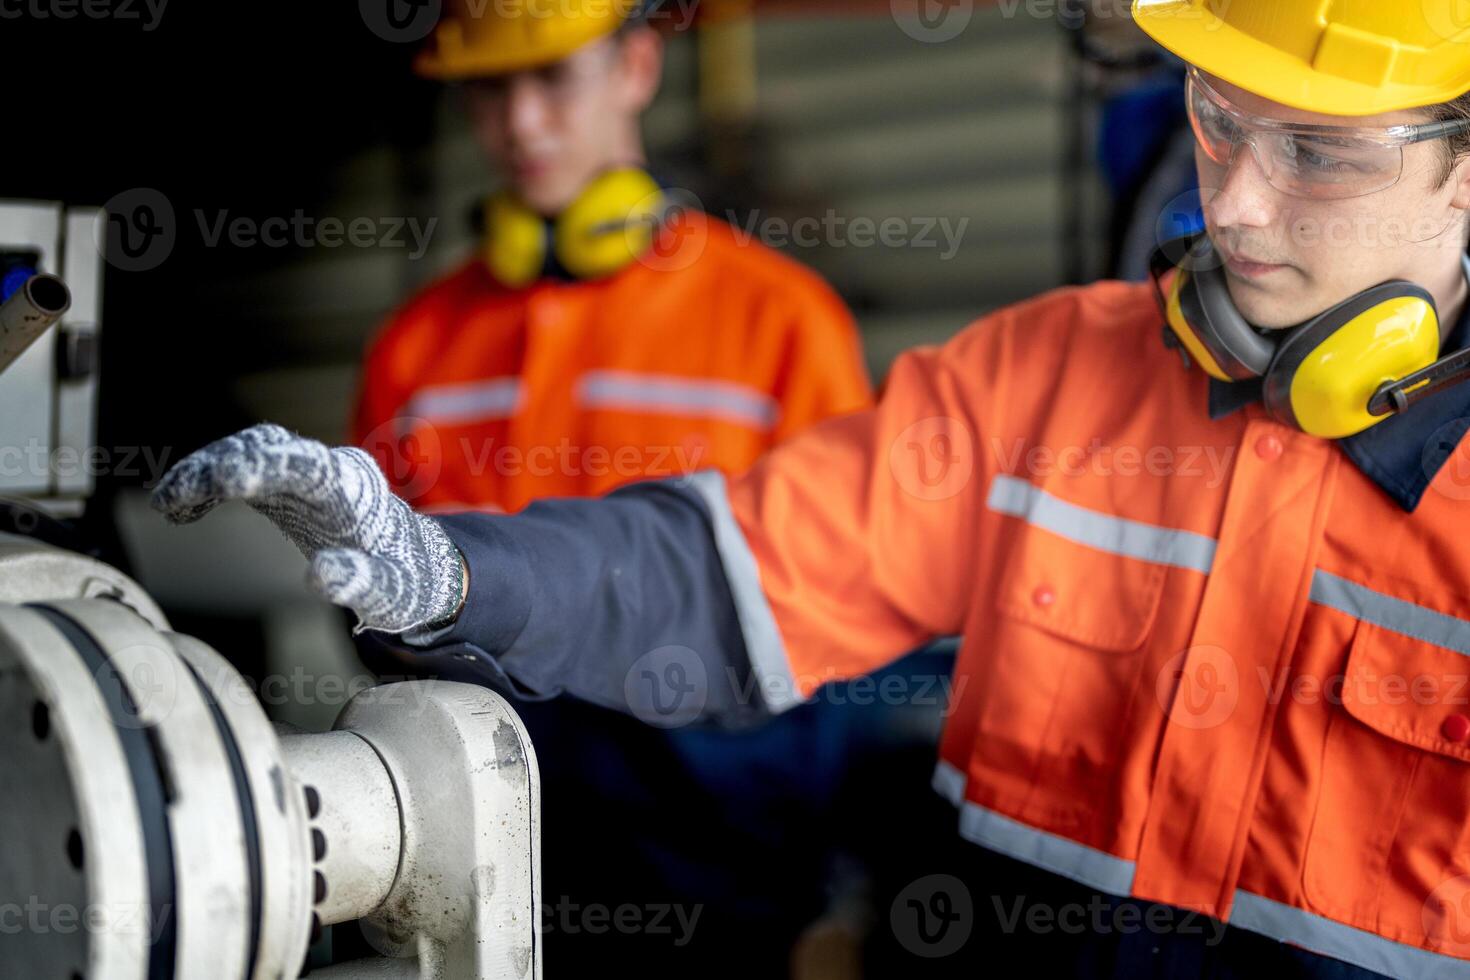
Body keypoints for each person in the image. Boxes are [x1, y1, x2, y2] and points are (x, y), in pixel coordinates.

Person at [153, 1, 1470, 974]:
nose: (1232, 207)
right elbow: (732, 569)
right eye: (1217, 124)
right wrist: (458, 570)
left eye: (1319, 151)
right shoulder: (1050, 378)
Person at [351, 0, 871, 514]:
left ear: (637, 66)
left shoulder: (783, 322)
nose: (521, 123)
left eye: (555, 75)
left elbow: (844, 568)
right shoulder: (412, 348)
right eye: (490, 85)